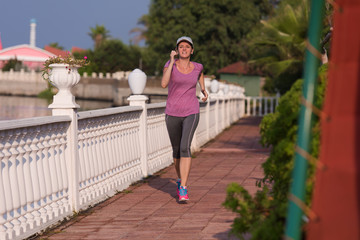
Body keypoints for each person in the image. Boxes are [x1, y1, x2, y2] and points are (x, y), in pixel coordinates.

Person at [161, 36, 208, 201]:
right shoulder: (170, 65)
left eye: (187, 47)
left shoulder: (197, 66)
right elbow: (164, 84)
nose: (184, 49)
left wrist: (203, 89)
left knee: (184, 147)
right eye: (181, 46)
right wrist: (171, 61)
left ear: (192, 50)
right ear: (177, 50)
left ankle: (183, 188)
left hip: (191, 111)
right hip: (172, 112)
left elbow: (200, 74)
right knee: (176, 151)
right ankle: (180, 177)